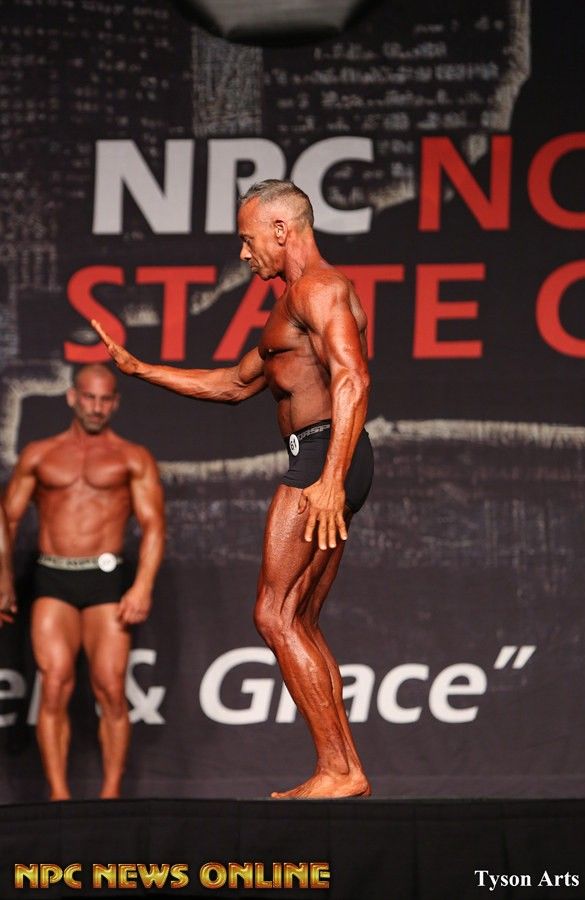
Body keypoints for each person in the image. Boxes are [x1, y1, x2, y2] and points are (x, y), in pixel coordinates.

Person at [92, 179, 374, 799]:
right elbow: (233, 384)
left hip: (325, 454)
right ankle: (345, 768)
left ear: (281, 229)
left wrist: (330, 479)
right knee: (299, 618)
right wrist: (141, 370)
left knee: (273, 613)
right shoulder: (293, 304)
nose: (244, 254)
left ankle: (337, 769)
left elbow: (352, 378)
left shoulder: (319, 288)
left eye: (248, 240)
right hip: (328, 455)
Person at [2, 364, 165, 800]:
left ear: (116, 403)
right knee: (54, 683)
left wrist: (143, 586)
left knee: (110, 687)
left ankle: (111, 798)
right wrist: (3, 579)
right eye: (89, 397)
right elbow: (8, 519)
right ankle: (59, 798)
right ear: (72, 397)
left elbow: (154, 525)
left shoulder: (131, 457)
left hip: (106, 580)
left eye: (105, 399)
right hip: (52, 576)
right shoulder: (40, 454)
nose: (96, 407)